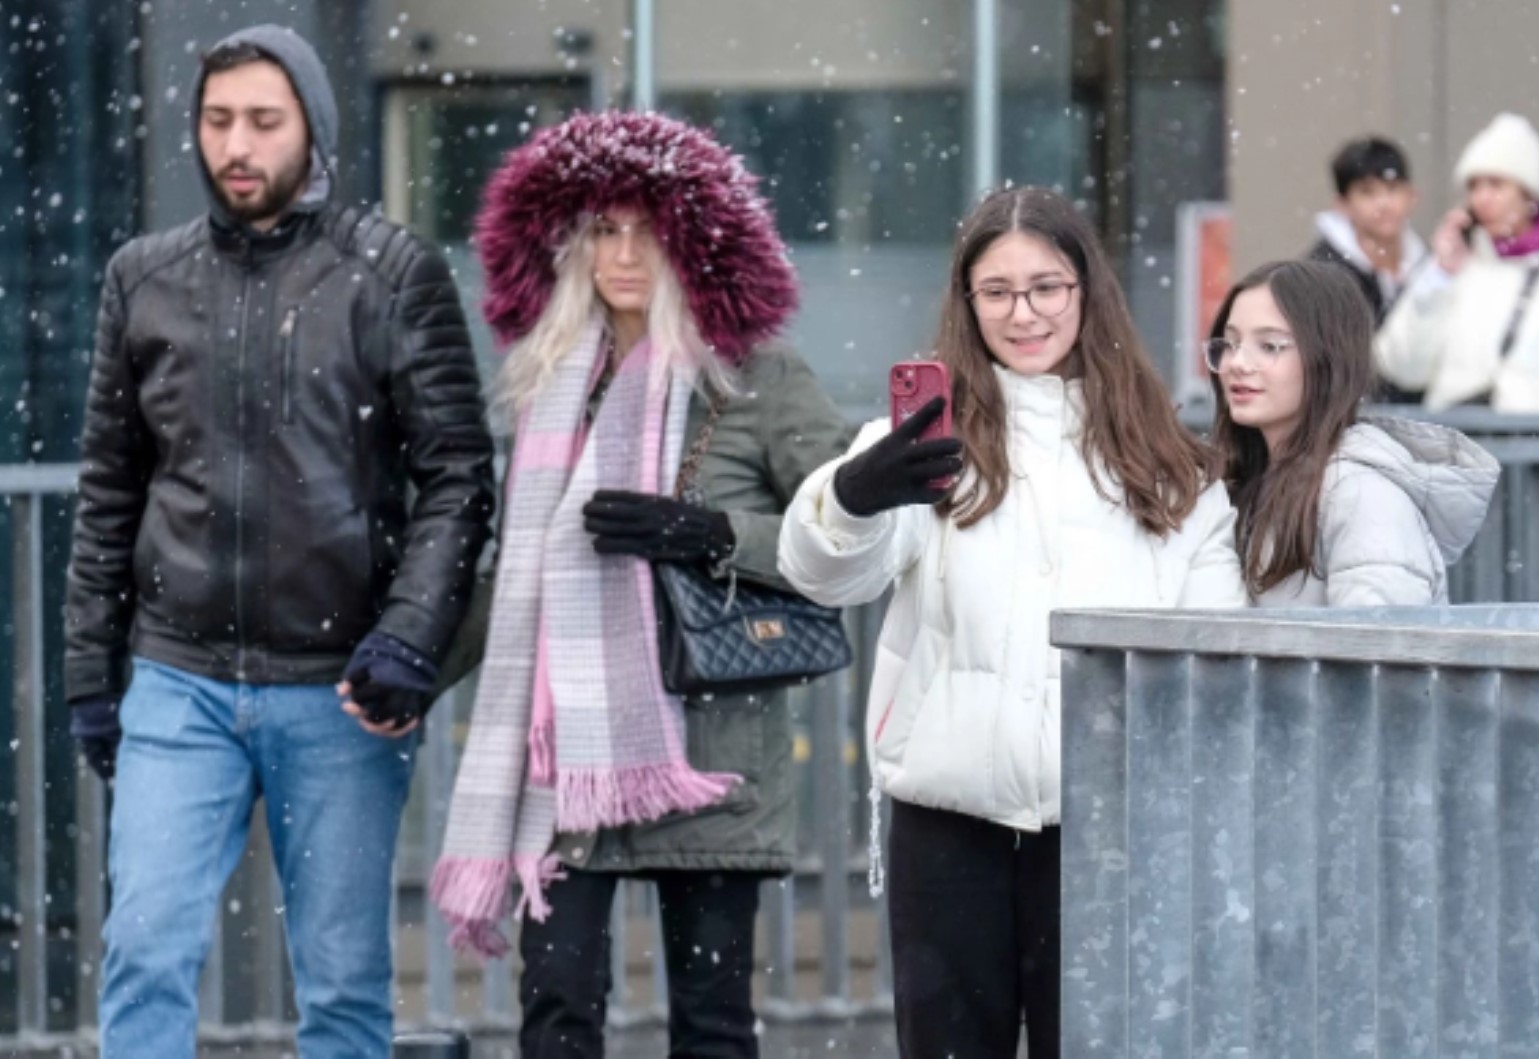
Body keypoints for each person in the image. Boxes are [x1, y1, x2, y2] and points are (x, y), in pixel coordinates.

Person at [63, 25, 495, 1057]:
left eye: (264, 120)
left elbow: (458, 476)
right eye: (217, 121)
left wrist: (408, 638)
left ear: (314, 127)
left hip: (340, 685)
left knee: (343, 984)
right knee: (144, 950)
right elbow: (110, 488)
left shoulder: (391, 272)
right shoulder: (143, 277)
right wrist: (89, 671)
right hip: (178, 678)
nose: (237, 145)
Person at [777, 186, 1247, 1058]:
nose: (1023, 313)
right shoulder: (921, 445)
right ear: (967, 302)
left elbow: (1213, 659)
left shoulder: (1171, 466)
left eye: (1046, 287)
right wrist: (849, 498)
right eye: (996, 291)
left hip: (1112, 828)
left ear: (1086, 291)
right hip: (948, 826)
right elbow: (823, 575)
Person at [428, 110, 852, 1059]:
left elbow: (846, 537)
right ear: (568, 245)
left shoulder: (759, 377)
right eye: (603, 230)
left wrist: (711, 535)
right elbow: (520, 585)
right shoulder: (551, 388)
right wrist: (413, 670)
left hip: (710, 749)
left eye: (649, 231)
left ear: (694, 243)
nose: (625, 255)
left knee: (711, 1026)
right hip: (565, 766)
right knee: (557, 1013)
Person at [1207, 259, 1500, 606]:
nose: (1237, 363)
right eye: (1230, 343)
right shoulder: (1249, 481)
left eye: (1270, 345)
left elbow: (1380, 637)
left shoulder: (1362, 494)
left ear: (1328, 357)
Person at [1375, 112, 1539, 412]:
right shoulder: (1453, 270)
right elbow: (1402, 368)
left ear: (1529, 195)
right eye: (1474, 186)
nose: (1482, 198)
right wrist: (1438, 278)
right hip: (1454, 439)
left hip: (1538, 441)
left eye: (1496, 185)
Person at [1305, 135, 1429, 402]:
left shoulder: (1430, 265)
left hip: (1422, 415)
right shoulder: (1322, 274)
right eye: (1367, 192)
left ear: (1412, 196)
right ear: (1342, 204)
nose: (1383, 204)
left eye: (1392, 189)